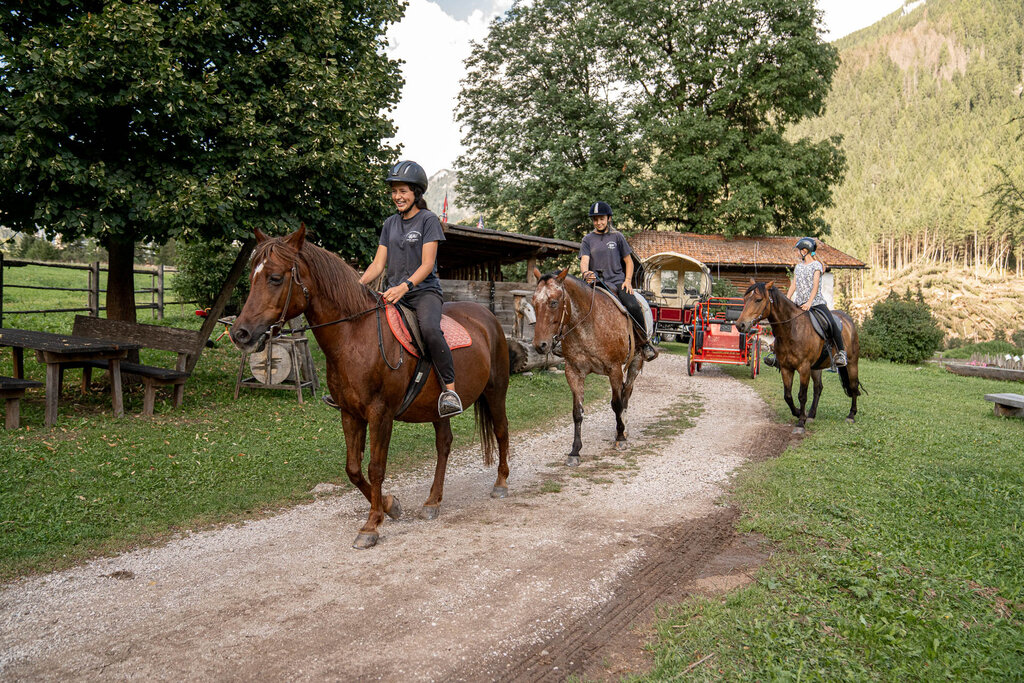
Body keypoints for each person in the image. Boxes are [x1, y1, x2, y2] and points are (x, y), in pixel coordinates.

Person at [358, 160, 463, 417]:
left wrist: (404, 287)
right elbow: (378, 264)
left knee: (430, 330)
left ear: (416, 193)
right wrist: (356, 285)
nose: (397, 196)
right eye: (394, 191)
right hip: (392, 294)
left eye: (403, 191)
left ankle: (450, 392)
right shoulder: (389, 224)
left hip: (423, 293)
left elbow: (427, 264)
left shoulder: (428, 220)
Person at [580, 201, 658, 362]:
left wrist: (628, 281)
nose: (598, 222)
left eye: (601, 219)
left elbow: (629, 262)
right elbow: (584, 260)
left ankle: (644, 343)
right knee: (576, 306)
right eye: (595, 219)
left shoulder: (617, 237)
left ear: (608, 218)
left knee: (633, 306)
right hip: (596, 283)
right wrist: (586, 273)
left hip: (617, 282)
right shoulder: (587, 239)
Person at [788, 237, 847, 367]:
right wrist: (787, 299)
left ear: (805, 251)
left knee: (832, 323)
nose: (797, 253)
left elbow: (815, 286)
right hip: (799, 303)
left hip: (816, 303)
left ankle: (841, 353)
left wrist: (809, 302)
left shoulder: (816, 265)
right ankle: (777, 354)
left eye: (798, 250)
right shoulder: (798, 267)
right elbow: (794, 285)